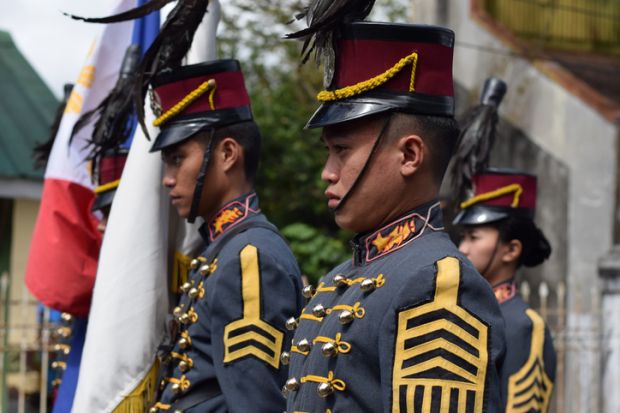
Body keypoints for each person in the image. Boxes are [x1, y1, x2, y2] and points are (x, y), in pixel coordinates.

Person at [283, 13, 507, 412]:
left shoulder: (437, 284)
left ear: (409, 155)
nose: (327, 173)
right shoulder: (342, 276)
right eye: (328, 152)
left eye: (342, 151)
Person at [147, 59, 304, 412]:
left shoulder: (251, 258)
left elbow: (257, 403)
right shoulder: (223, 248)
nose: (168, 178)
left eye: (178, 158)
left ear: (228, 154)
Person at [454, 169, 556, 412]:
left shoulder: (524, 326)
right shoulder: (460, 311)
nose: (462, 248)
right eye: (463, 237)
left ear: (511, 250)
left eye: (474, 237)